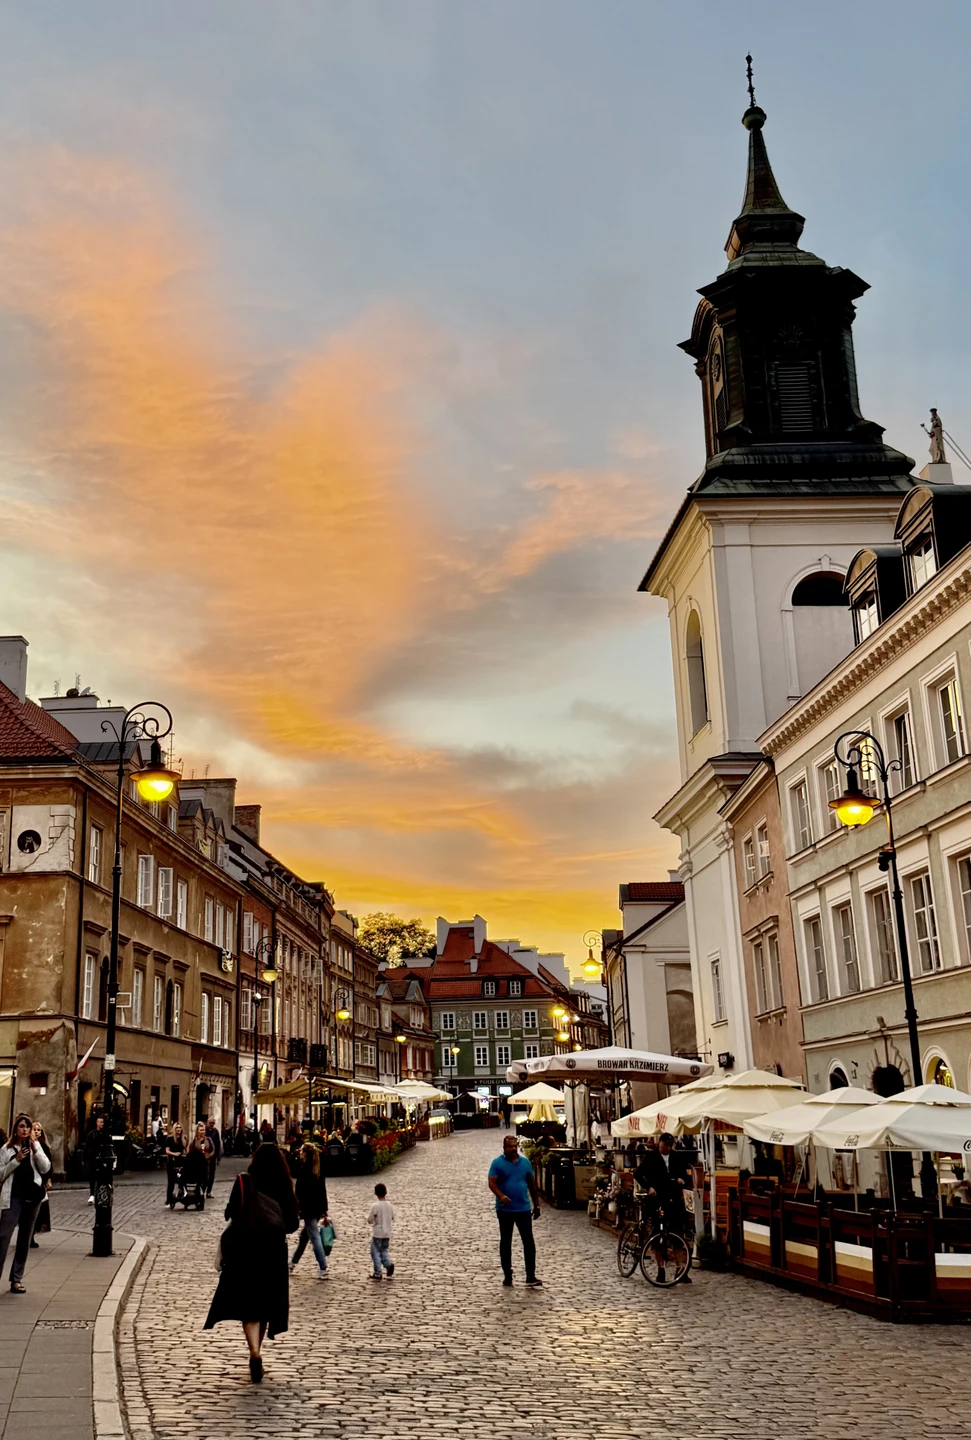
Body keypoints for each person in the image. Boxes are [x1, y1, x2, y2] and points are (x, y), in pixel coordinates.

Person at [205, 1141, 299, 1382]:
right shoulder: (284, 1184)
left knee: (249, 1305)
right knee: (266, 1303)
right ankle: (258, 1351)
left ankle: (254, 1352)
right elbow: (292, 1224)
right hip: (273, 1252)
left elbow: (231, 1212)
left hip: (246, 1249)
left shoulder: (245, 1180)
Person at [633, 1132, 694, 1284]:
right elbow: (638, 1174)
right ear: (659, 1143)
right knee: (657, 1235)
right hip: (657, 1198)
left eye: (669, 1145)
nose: (667, 1148)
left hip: (673, 1199)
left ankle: (681, 1269)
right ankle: (661, 1269)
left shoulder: (676, 1157)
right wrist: (648, 1188)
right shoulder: (651, 1157)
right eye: (665, 1144)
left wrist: (682, 1179)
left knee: (677, 1234)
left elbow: (686, 1174)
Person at [0, 1114, 51, 1292]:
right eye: (21, 1126)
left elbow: (45, 1168)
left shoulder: (35, 1146)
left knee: (25, 1238)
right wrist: (16, 1160)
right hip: (13, 1197)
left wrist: (36, 1150)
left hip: (33, 1198)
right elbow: (0, 1174)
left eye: (27, 1127)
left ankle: (16, 1279)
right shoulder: (6, 1149)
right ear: (15, 1129)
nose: (24, 1130)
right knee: (3, 1237)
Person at [487, 1134, 542, 1289]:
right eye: (509, 1146)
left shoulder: (525, 1163)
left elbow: (532, 1185)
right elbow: (491, 1183)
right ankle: (507, 1274)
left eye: (514, 1146)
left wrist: (536, 1205)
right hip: (505, 1209)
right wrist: (501, 1196)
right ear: (504, 1148)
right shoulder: (497, 1163)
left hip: (523, 1208)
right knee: (506, 1242)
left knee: (528, 1242)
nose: (512, 1149)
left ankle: (530, 1275)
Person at [290, 1144, 330, 1279]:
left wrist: (297, 1207)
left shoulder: (304, 1169)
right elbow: (322, 1190)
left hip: (308, 1208)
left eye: (301, 1151)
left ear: (305, 1153)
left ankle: (323, 1267)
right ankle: (292, 1263)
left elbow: (299, 1191)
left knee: (314, 1236)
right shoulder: (318, 1168)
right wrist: (324, 1209)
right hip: (318, 1207)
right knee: (304, 1237)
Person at [29, 1123, 52, 1247]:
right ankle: (29, 1236)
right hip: (31, 1181)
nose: (37, 1132)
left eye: (39, 1130)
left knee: (38, 1211)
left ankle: (32, 1234)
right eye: (35, 1129)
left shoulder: (43, 1146)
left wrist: (48, 1179)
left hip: (41, 1181)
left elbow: (48, 1165)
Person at [367, 1181, 395, 1281]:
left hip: (378, 1233)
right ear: (386, 1192)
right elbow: (392, 1217)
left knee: (375, 1252)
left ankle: (378, 1272)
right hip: (387, 1233)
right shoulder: (389, 1205)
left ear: (375, 1193)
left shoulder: (376, 1205)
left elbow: (370, 1219)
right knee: (384, 1251)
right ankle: (388, 1264)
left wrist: (373, 1221)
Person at [183, 1122, 214, 1197]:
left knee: (206, 1179)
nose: (202, 1132)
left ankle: (203, 1191)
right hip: (198, 1164)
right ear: (197, 1131)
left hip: (207, 1162)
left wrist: (209, 1156)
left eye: (203, 1130)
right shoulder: (194, 1142)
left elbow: (213, 1150)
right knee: (199, 1179)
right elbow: (190, 1152)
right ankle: (198, 1192)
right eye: (201, 1130)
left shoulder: (208, 1140)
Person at [84, 1115, 106, 1205]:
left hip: (102, 1159)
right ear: (96, 1123)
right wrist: (85, 1159)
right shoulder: (91, 1134)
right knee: (93, 1177)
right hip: (93, 1158)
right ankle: (92, 1194)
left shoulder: (105, 1135)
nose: (102, 1124)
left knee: (102, 1177)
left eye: (103, 1122)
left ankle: (101, 1194)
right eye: (100, 1122)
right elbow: (87, 1147)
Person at [164, 1122, 185, 1208]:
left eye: (180, 1128)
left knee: (182, 1179)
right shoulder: (170, 1139)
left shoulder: (183, 1139)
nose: (178, 1129)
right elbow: (167, 1150)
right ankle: (169, 1200)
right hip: (172, 1162)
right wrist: (174, 1154)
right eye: (177, 1128)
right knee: (171, 1182)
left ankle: (182, 1194)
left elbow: (185, 1149)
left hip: (180, 1161)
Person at [204, 1116, 222, 1197]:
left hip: (213, 1155)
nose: (211, 1125)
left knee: (212, 1173)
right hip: (204, 1155)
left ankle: (209, 1191)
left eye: (213, 1123)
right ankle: (203, 1190)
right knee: (204, 1173)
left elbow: (218, 1144)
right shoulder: (204, 1131)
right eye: (210, 1123)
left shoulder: (215, 1132)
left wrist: (218, 1157)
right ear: (207, 1122)